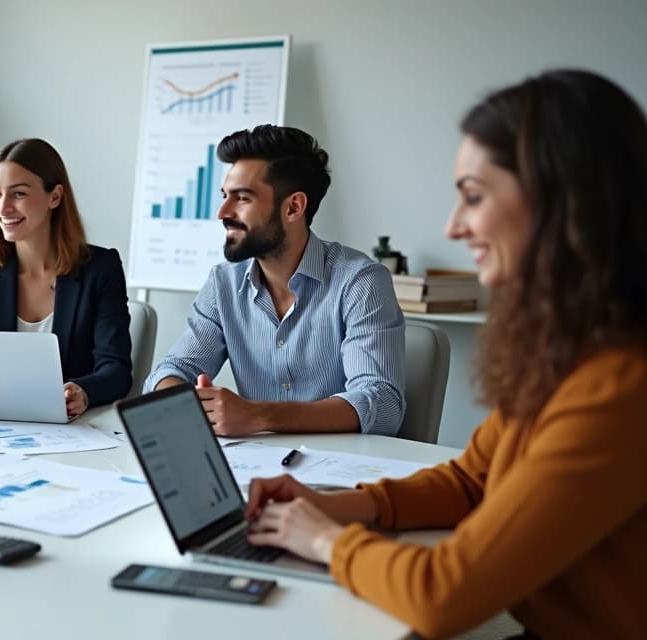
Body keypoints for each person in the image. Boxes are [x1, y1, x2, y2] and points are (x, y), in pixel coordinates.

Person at [244, 70, 647, 638]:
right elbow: (470, 481)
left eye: (474, 198)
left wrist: (323, 540)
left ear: (560, 203)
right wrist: (334, 505)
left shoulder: (620, 386)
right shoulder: (572, 349)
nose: (454, 227)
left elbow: (442, 593)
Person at [145, 125, 406, 436]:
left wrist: (258, 416)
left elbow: (381, 404)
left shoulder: (360, 282)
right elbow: (172, 370)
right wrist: (180, 398)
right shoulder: (223, 284)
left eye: (242, 198)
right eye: (224, 196)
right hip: (252, 465)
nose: (222, 212)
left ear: (293, 207)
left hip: (338, 472)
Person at [0, 138, 132, 418]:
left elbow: (116, 371)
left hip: (73, 431)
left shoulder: (101, 269)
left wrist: (83, 391)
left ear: (54, 197)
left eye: (18, 194)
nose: (3, 208)